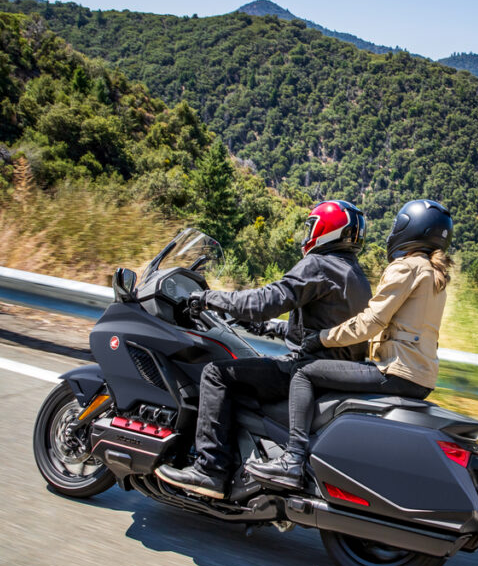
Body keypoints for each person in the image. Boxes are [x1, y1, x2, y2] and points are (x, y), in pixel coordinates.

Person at [155, 200, 372, 499]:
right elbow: (323, 329)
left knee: (216, 374)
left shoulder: (319, 264)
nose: (307, 234)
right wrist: (268, 328)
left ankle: (210, 470)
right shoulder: (356, 275)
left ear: (326, 230)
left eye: (311, 226)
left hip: (304, 370)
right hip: (332, 371)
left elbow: (265, 302)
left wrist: (209, 299)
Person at [246, 199, 453, 488]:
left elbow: (370, 323)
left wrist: (321, 338)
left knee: (305, 372)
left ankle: (292, 460)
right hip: (422, 375)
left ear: (410, 228)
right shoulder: (436, 274)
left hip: (396, 371)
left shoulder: (406, 268)